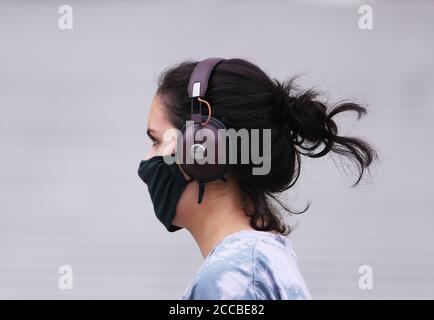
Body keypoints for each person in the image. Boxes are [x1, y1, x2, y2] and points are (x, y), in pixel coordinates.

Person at [137, 58, 377, 299]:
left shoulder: (233, 278)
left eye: (156, 141)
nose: (146, 160)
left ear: (203, 148)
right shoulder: (259, 263)